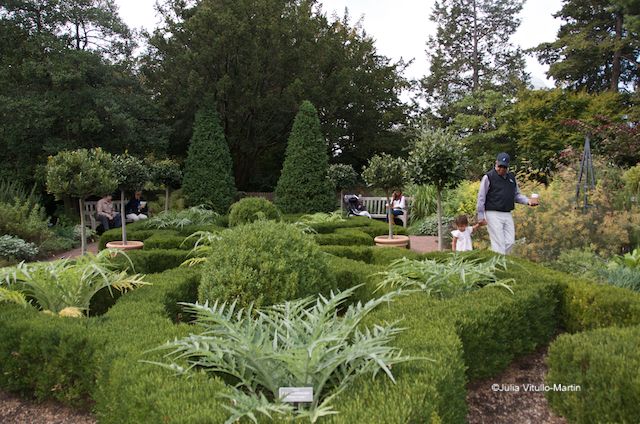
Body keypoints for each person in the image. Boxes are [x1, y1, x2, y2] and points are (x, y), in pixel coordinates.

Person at [476, 152, 539, 255]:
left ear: (508, 167)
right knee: (499, 243)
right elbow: (481, 197)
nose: (501, 169)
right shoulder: (488, 177)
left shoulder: (511, 178)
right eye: (499, 166)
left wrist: (528, 201)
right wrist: (480, 216)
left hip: (507, 213)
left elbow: (516, 195)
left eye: (504, 167)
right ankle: (499, 266)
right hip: (492, 213)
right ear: (496, 163)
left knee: (510, 242)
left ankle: (497, 261)